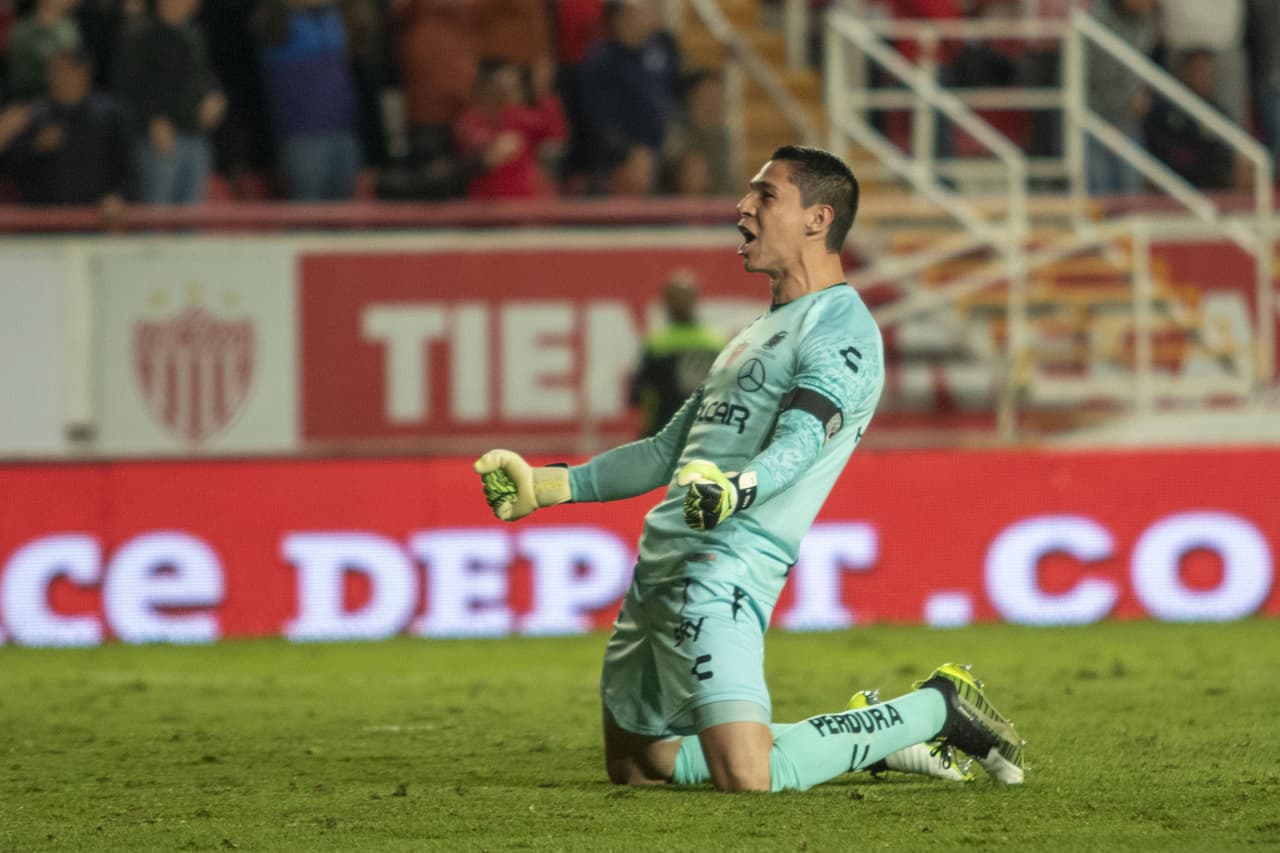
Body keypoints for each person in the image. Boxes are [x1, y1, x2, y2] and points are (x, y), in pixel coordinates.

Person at [473, 145, 1026, 793]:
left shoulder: (841, 327)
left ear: (818, 219)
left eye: (765, 196)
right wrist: (549, 485)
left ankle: (937, 706)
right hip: (660, 569)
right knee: (639, 765)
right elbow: (664, 452)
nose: (742, 206)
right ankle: (865, 738)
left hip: (725, 569)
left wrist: (738, 489)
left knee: (748, 774)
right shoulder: (752, 334)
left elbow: (802, 437)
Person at [112, 0, 226, 204]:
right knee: (156, 213)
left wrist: (214, 97)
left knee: (191, 216)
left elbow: (204, 77)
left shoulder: (193, 35)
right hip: (159, 140)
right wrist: (151, 121)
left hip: (196, 135)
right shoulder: (140, 34)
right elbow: (126, 87)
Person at [0, 47, 133, 214]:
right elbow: (9, 171)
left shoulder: (109, 116)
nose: (55, 79)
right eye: (52, 73)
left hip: (95, 222)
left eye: (63, 72)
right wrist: (35, 146)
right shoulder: (32, 116)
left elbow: (128, 171)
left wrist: (118, 197)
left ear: (84, 74)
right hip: (42, 222)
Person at [252, 0, 362, 201]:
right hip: (303, 138)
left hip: (343, 133)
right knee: (305, 217)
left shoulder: (332, 19)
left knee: (345, 220)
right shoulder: (275, 23)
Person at [629, 271, 725, 438]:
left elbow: (637, 395)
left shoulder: (657, 344)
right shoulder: (716, 342)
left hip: (664, 433)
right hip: (706, 433)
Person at [453, 58, 566, 199]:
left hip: (526, 203)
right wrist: (490, 153)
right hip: (486, 207)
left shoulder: (517, 117)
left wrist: (542, 90)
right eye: (501, 89)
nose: (510, 95)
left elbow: (555, 135)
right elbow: (472, 157)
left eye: (512, 88)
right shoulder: (470, 122)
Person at [1085, 0, 1157, 195]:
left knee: (1131, 190)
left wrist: (1140, 95)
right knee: (1099, 191)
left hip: (1126, 120)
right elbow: (1093, 82)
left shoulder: (1146, 24)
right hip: (1093, 118)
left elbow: (1137, 74)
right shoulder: (1096, 23)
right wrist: (1128, 101)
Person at [1144, 49, 1240, 190]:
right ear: (1184, 72)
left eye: (1208, 73)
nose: (1203, 77)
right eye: (1197, 71)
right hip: (1170, 187)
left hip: (1212, 188)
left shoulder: (1220, 114)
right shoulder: (1164, 109)